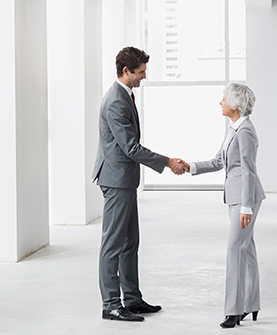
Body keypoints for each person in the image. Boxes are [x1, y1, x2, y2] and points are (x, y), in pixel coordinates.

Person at [92, 46, 187, 322]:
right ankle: (111, 304)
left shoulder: (125, 96)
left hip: (125, 180)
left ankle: (131, 299)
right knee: (113, 244)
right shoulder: (115, 101)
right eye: (141, 72)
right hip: (116, 180)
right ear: (126, 71)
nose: (144, 76)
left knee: (130, 242)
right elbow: (131, 148)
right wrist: (168, 161)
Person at [180, 83, 266, 328]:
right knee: (246, 249)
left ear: (236, 104)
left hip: (244, 199)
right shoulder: (232, 129)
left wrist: (246, 207)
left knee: (234, 249)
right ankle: (252, 303)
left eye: (224, 99)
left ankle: (234, 311)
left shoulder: (246, 131)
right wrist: (191, 167)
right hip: (235, 197)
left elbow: (249, 170)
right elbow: (219, 160)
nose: (220, 102)